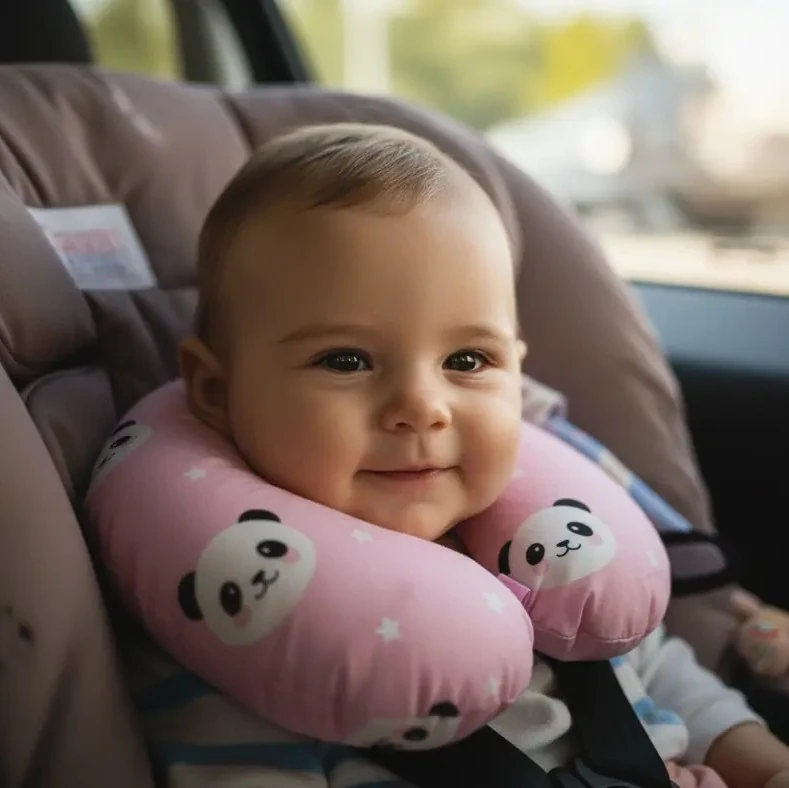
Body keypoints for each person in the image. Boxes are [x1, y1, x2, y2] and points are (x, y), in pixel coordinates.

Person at [171, 122, 789, 788]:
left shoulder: (548, 556)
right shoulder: (246, 628)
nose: (422, 407)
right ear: (216, 390)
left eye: (467, 360)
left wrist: (762, 764)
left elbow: (661, 674)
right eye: (345, 360)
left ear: (517, 375)